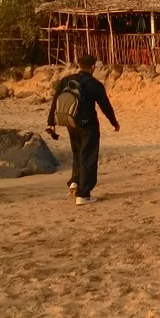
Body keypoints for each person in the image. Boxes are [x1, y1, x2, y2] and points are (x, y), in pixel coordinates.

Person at [46, 54, 120, 206]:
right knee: (88, 156)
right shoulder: (94, 84)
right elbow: (105, 106)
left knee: (77, 153)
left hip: (70, 123)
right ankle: (83, 194)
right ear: (93, 67)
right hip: (89, 125)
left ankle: (75, 182)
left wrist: (50, 122)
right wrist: (114, 122)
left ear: (79, 65)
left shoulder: (66, 80)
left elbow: (56, 102)